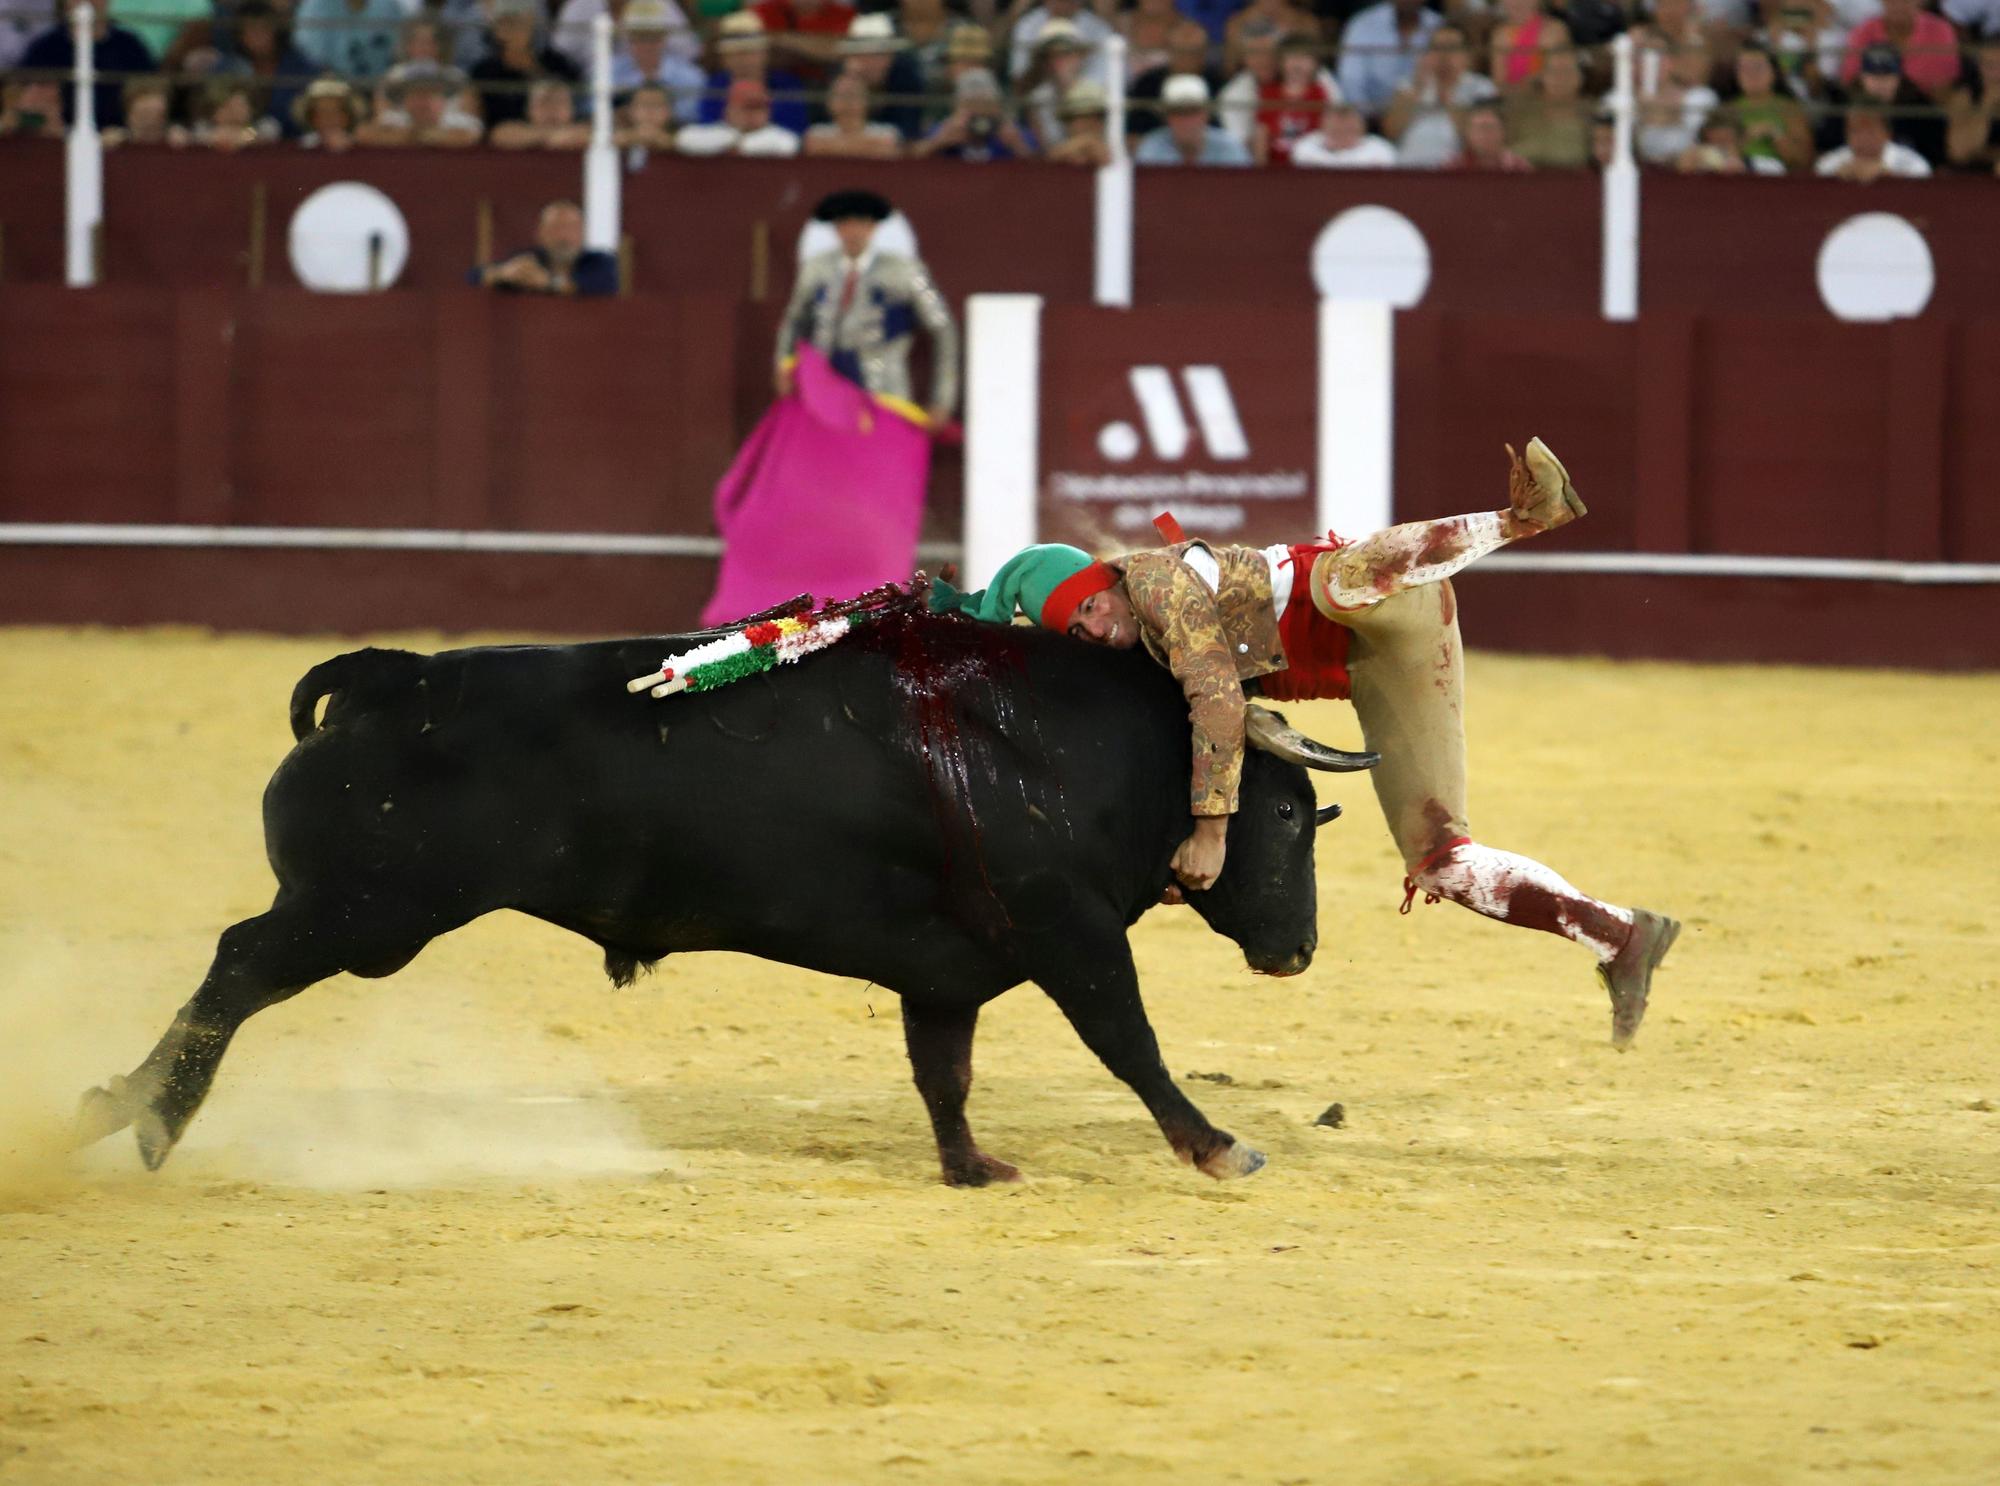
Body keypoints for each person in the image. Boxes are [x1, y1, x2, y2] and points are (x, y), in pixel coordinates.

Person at [928, 443, 1681, 1049]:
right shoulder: (1123, 648)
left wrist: (1212, 833)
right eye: (1077, 630)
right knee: (1442, 864)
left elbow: (1220, 699)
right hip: (1381, 663)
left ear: (1108, 579)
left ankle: (1521, 519)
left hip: (1391, 605)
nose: (1092, 629)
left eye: (1090, 607)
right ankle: (1619, 935)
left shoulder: (1157, 585)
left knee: (1340, 583)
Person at [774, 190, 958, 426]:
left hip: (884, 388)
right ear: (836, 229)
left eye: (859, 223)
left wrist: (942, 399)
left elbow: (943, 329)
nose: (852, 232)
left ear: (873, 228)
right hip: (825, 387)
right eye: (844, 224)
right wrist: (784, 366)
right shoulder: (816, 269)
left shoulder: (905, 272)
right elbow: (794, 321)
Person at [19, 0, 156, 127]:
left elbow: (151, 93)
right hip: (57, 141)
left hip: (120, 140)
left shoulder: (130, 46)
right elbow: (19, 100)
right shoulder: (45, 47)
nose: (87, 2)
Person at [1382, 22, 1498, 166]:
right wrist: (1417, 89)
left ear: (1467, 56)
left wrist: (1449, 90)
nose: (1444, 56)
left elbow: (1477, 140)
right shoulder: (1409, 85)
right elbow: (1391, 132)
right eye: (1437, 48)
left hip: (1457, 171)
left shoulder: (1481, 87)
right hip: (1408, 168)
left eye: (1452, 49)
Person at [470, 198, 620, 296]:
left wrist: (548, 283)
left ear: (583, 233)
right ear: (540, 233)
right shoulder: (525, 257)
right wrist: (503, 274)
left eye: (571, 228)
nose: (563, 237)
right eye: (555, 228)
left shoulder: (600, 261)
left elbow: (600, 285)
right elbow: (474, 277)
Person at [471, 0, 582, 126]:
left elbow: (577, 115)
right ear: (495, 29)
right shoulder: (485, 73)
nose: (512, 30)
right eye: (505, 23)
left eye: (519, 22)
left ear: (531, 23)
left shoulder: (558, 64)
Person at [1335, 0, 1441, 118]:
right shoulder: (1363, 25)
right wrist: (1368, 119)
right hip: (1371, 119)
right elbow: (1350, 82)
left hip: (1423, 118)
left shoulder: (1439, 26)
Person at [911, 67, 1037, 157]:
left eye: (985, 104)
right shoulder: (948, 128)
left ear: (997, 106)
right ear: (957, 107)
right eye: (971, 104)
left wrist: (1017, 146)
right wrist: (938, 142)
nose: (979, 111)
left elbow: (1040, 165)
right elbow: (912, 156)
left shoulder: (1013, 131)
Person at [612, 0, 706, 121]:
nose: (646, 44)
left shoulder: (691, 77)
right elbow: (591, 110)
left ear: (663, 38)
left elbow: (691, 117)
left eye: (652, 37)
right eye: (639, 37)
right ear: (629, 39)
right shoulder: (610, 72)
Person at [1134, 73, 1255, 161]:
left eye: (1192, 111)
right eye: (1178, 112)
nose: (1186, 120)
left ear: (1206, 114)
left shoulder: (1229, 148)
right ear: (1167, 118)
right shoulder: (1152, 147)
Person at [676, 75, 804, 152]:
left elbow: (787, 145)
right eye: (747, 108)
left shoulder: (779, 135)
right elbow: (684, 139)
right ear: (729, 110)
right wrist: (735, 136)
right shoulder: (720, 130)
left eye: (759, 108)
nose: (754, 114)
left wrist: (736, 144)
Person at [1816, 97, 1934, 171]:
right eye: (1855, 130)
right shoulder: (1830, 164)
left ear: (1887, 133)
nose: (1862, 138)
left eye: (1870, 130)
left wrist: (1887, 174)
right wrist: (1836, 179)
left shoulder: (1912, 164)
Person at [805, 71, 904, 153]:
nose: (847, 100)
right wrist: (867, 146)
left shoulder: (886, 132)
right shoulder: (817, 132)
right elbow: (814, 146)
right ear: (828, 101)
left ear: (868, 100)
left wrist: (834, 146)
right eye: (840, 94)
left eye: (853, 94)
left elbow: (886, 146)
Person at [1292, 96, 1398, 160]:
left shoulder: (1380, 151)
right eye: (1337, 131)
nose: (1343, 135)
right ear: (1323, 129)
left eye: (1349, 130)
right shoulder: (1306, 149)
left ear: (1362, 130)